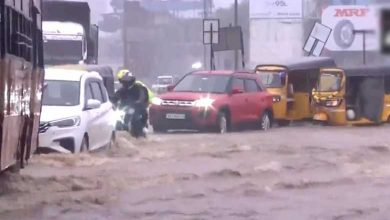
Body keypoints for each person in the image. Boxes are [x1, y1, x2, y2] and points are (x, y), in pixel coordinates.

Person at [113, 70, 149, 137]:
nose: (124, 83)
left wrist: (137, 102)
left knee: (136, 118)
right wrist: (112, 102)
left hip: (137, 109)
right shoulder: (122, 90)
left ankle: (141, 131)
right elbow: (115, 97)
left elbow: (142, 97)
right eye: (123, 81)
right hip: (124, 109)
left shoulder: (139, 88)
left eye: (125, 81)